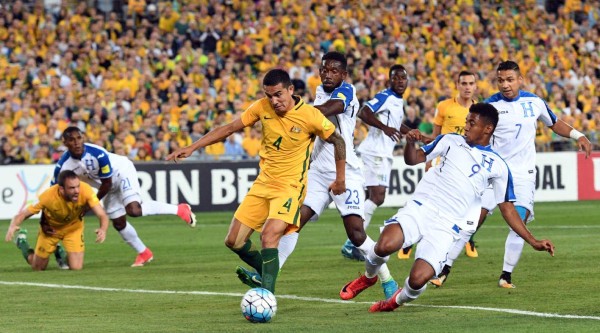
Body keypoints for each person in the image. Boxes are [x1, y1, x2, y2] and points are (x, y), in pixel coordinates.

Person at [338, 103, 555, 312]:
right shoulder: (450, 140)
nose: (466, 126)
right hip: (422, 208)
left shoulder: (499, 165)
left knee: (417, 281)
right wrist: (410, 142)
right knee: (385, 245)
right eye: (467, 121)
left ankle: (395, 301)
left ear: (488, 128)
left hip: (448, 226)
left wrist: (532, 241)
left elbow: (507, 209)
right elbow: (413, 160)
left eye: (472, 122)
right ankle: (368, 278)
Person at [166, 68, 346, 294]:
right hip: (263, 184)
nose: (274, 100)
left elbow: (338, 141)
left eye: (278, 94)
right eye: (269, 95)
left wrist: (340, 179)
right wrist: (193, 147)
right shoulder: (262, 107)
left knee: (269, 236)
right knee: (234, 241)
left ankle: (267, 296)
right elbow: (230, 128)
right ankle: (267, 272)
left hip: (290, 187)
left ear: (291, 90)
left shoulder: (310, 116)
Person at [248, 52, 399, 299]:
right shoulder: (320, 90)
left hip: (346, 171)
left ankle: (387, 280)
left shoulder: (346, 92)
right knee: (291, 225)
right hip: (317, 171)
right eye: (325, 69)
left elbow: (331, 109)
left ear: (344, 74)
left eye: (334, 71)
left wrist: (293, 112)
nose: (328, 74)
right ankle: (267, 278)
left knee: (357, 235)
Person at [432, 61, 593, 289]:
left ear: (520, 79)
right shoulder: (490, 106)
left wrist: (579, 135)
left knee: (520, 220)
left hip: (522, 174)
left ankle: (506, 275)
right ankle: (443, 268)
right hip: (494, 172)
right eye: (500, 80)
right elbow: (475, 135)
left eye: (509, 79)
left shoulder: (534, 102)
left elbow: (555, 123)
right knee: (472, 221)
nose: (505, 85)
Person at [53, 127, 197, 267]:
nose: (77, 142)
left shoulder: (97, 154)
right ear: (65, 143)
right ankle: (144, 253)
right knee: (119, 223)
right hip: (107, 186)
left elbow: (107, 183)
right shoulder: (63, 166)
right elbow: (54, 191)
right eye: (72, 140)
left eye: (79, 138)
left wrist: (89, 205)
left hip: (121, 172)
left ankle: (179, 209)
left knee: (134, 210)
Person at [340, 64, 410, 261]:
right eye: (395, 78)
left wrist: (411, 132)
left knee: (371, 196)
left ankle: (353, 242)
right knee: (378, 196)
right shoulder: (385, 96)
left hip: (380, 152)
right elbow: (364, 112)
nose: (399, 82)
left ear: (407, 81)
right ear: (390, 80)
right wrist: (385, 128)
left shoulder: (397, 100)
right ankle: (351, 243)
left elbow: (395, 125)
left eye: (402, 78)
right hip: (375, 152)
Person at [5, 170, 109, 271]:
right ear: (61, 189)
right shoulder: (47, 196)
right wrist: (13, 225)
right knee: (37, 267)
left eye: (78, 186)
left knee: (76, 267)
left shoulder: (86, 190)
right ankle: (22, 243)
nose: (77, 191)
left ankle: (60, 254)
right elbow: (22, 214)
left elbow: (102, 215)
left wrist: (103, 229)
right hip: (51, 230)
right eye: (72, 188)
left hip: (73, 229)